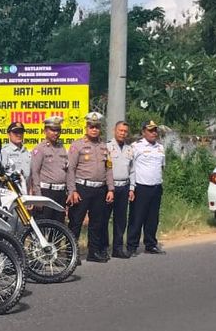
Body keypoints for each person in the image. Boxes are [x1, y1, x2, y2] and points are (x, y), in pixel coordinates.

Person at [67, 111, 114, 262]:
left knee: (96, 222)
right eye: (91, 126)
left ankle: (93, 252)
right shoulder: (77, 145)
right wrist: (72, 190)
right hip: (82, 188)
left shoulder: (104, 147)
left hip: (100, 189)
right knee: (76, 222)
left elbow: (108, 168)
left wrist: (111, 189)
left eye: (97, 127)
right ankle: (71, 254)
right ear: (86, 127)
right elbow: (71, 169)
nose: (94, 129)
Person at [126, 119, 167, 256]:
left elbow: (162, 166)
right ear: (143, 132)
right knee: (136, 218)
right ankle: (132, 246)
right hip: (141, 187)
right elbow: (130, 167)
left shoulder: (160, 148)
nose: (153, 133)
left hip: (156, 187)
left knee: (152, 218)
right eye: (150, 130)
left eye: (155, 130)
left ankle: (150, 244)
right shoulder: (135, 146)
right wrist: (131, 187)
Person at [29, 115, 69, 222]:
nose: (56, 133)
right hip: (46, 192)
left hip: (60, 193)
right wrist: (38, 196)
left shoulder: (62, 148)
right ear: (45, 131)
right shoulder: (40, 149)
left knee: (58, 224)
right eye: (52, 130)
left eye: (58, 130)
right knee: (43, 224)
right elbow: (35, 173)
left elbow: (66, 170)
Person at [106, 120, 136, 259]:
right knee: (104, 219)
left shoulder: (129, 149)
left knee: (120, 220)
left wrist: (131, 188)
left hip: (124, 187)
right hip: (109, 188)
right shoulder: (107, 147)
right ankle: (102, 247)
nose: (123, 133)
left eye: (125, 131)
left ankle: (117, 248)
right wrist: (108, 188)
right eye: (120, 131)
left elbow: (132, 170)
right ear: (115, 131)